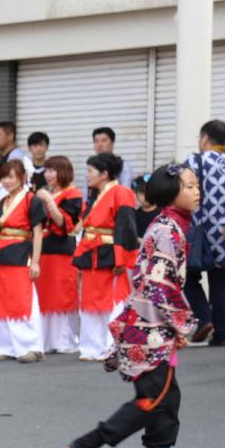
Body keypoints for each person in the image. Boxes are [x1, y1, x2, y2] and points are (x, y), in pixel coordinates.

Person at [68, 164, 200, 448]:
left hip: (151, 324)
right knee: (154, 398)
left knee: (166, 398)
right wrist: (183, 323)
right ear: (170, 192)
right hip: (149, 327)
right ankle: (89, 443)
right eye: (189, 186)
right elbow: (160, 285)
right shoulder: (168, 229)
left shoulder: (170, 224)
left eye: (197, 185)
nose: (197, 192)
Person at [75, 153, 138, 361]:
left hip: (109, 252)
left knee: (111, 300)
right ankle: (91, 347)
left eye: (90, 171)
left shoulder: (122, 192)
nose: (87, 175)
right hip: (91, 251)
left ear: (104, 174)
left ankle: (112, 346)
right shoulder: (95, 195)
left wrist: (121, 258)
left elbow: (125, 226)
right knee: (89, 301)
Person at [182, 119, 225, 347]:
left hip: (199, 233)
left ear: (205, 138)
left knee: (187, 277)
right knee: (222, 281)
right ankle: (222, 334)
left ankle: (204, 318)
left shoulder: (194, 161)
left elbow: (180, 190)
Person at [0, 160, 46, 363]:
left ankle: (31, 346)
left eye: (11, 176)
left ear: (22, 177)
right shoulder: (1, 203)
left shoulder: (32, 201)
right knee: (2, 300)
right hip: (0, 256)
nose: (7, 181)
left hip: (21, 255)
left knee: (22, 299)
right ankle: (5, 345)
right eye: (4, 177)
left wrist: (35, 261)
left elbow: (38, 233)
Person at [34, 156, 84, 353]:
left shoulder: (73, 193)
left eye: (52, 170)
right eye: (46, 170)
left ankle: (64, 340)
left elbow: (63, 222)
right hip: (43, 248)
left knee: (62, 293)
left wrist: (48, 200)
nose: (48, 174)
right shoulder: (46, 192)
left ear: (63, 171)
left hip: (62, 249)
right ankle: (45, 340)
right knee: (44, 293)